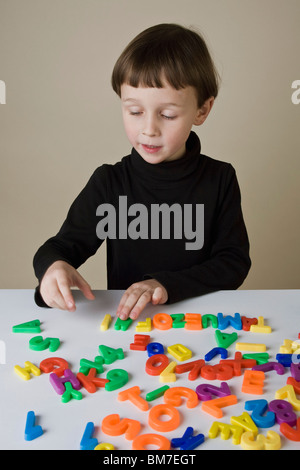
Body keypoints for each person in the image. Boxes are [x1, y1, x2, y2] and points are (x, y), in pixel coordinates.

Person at [33, 23, 251, 321]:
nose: (149, 129)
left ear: (202, 110)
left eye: (168, 114)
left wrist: (164, 284)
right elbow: (59, 247)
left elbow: (233, 262)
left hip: (200, 324)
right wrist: (53, 267)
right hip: (132, 329)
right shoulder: (109, 183)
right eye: (135, 111)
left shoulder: (220, 179)